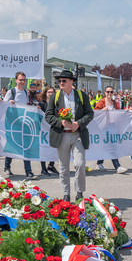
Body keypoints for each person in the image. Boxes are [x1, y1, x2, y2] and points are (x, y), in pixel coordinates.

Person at [45, 70, 94, 202]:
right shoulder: (55, 96)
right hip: (62, 135)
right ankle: (66, 194)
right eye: (59, 81)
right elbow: (48, 116)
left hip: (77, 135)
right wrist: (60, 122)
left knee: (79, 164)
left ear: (71, 81)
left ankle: (79, 192)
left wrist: (79, 123)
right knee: (63, 167)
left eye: (64, 80)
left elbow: (89, 113)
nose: (61, 83)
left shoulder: (81, 95)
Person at [3, 71, 38, 180]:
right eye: (20, 80)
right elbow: (3, 106)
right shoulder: (11, 92)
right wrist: (10, 102)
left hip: (24, 123)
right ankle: (6, 167)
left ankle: (28, 171)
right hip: (13, 124)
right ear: (16, 80)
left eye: (24, 80)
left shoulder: (25, 93)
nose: (22, 82)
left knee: (26, 147)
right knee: (12, 146)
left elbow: (27, 106)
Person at [94, 86, 128, 174]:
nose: (109, 94)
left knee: (106, 146)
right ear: (104, 93)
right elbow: (95, 113)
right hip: (103, 128)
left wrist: (125, 111)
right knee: (111, 146)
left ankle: (99, 163)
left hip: (112, 128)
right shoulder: (101, 102)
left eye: (111, 92)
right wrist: (102, 110)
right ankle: (117, 166)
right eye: (108, 92)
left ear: (113, 93)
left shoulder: (114, 102)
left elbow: (118, 113)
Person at [38, 86, 59, 176]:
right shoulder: (42, 104)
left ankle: (51, 165)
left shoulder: (56, 104)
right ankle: (43, 169)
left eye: (52, 92)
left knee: (54, 147)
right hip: (43, 130)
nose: (51, 94)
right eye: (49, 92)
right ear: (45, 93)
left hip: (53, 129)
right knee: (43, 148)